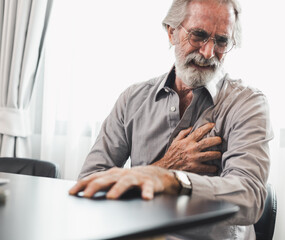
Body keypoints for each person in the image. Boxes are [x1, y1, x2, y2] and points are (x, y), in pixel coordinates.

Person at [69, 0, 273, 239]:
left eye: (221, 41)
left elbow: (250, 198)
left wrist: (176, 181)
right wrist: (165, 167)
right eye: (198, 35)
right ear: (171, 32)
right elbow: (88, 182)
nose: (208, 53)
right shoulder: (133, 99)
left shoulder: (247, 104)